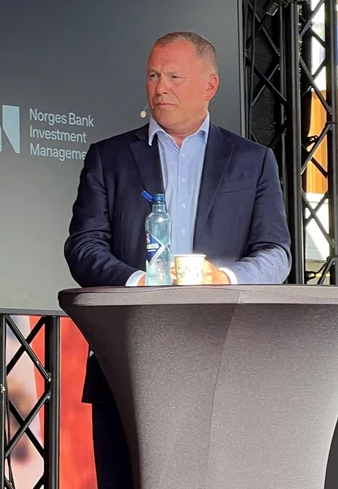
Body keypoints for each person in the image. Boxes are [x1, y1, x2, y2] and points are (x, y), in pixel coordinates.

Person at [63, 31, 291, 488]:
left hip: (221, 363)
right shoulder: (109, 157)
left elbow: (276, 253)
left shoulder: (252, 160)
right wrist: (138, 285)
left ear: (210, 85)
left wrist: (225, 278)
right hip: (127, 359)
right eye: (153, 76)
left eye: (173, 77)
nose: (160, 87)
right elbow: (83, 246)